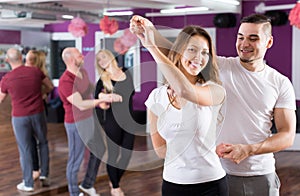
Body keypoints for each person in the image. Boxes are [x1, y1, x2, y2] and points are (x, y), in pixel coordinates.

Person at [130, 14, 296, 196]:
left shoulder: (280, 83)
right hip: (220, 171)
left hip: (259, 173)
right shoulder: (222, 67)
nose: (244, 43)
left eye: (253, 38)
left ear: (269, 42)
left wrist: (248, 149)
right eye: (240, 37)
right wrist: (150, 31)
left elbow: (287, 136)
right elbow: (181, 52)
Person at [132, 17, 228, 195]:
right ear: (178, 52)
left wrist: (151, 46)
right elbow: (161, 150)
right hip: (173, 183)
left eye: (205, 52)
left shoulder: (214, 91)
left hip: (211, 184)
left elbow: (184, 90)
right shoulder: (156, 98)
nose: (199, 58)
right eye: (192, 50)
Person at [58, 47, 122, 196]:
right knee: (75, 159)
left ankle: (87, 184)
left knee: (99, 149)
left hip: (89, 119)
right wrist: (100, 101)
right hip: (75, 124)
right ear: (72, 60)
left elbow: (92, 89)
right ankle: (74, 193)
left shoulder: (83, 73)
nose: (83, 56)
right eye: (79, 55)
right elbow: (80, 103)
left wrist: (104, 94)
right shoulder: (65, 81)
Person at [0, 48, 53, 192]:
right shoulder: (35, 71)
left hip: (20, 117)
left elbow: (1, 98)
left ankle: (28, 183)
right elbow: (50, 86)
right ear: (21, 57)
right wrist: (41, 95)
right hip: (38, 114)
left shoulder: (7, 79)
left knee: (25, 149)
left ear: (7, 60)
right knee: (43, 143)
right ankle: (45, 176)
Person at [92, 49, 136, 196]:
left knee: (127, 154)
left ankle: (114, 178)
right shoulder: (103, 79)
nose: (101, 61)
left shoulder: (126, 72)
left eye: (103, 57)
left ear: (110, 56)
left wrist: (119, 96)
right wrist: (107, 97)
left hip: (129, 120)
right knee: (113, 154)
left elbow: (132, 92)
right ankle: (115, 187)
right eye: (99, 60)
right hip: (113, 121)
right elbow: (98, 95)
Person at [25, 49, 53, 181]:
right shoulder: (26, 73)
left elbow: (50, 87)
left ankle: (43, 172)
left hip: (39, 111)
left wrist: (43, 94)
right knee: (31, 142)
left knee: (41, 141)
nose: (26, 59)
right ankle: (36, 170)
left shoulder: (40, 74)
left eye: (29, 58)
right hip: (27, 112)